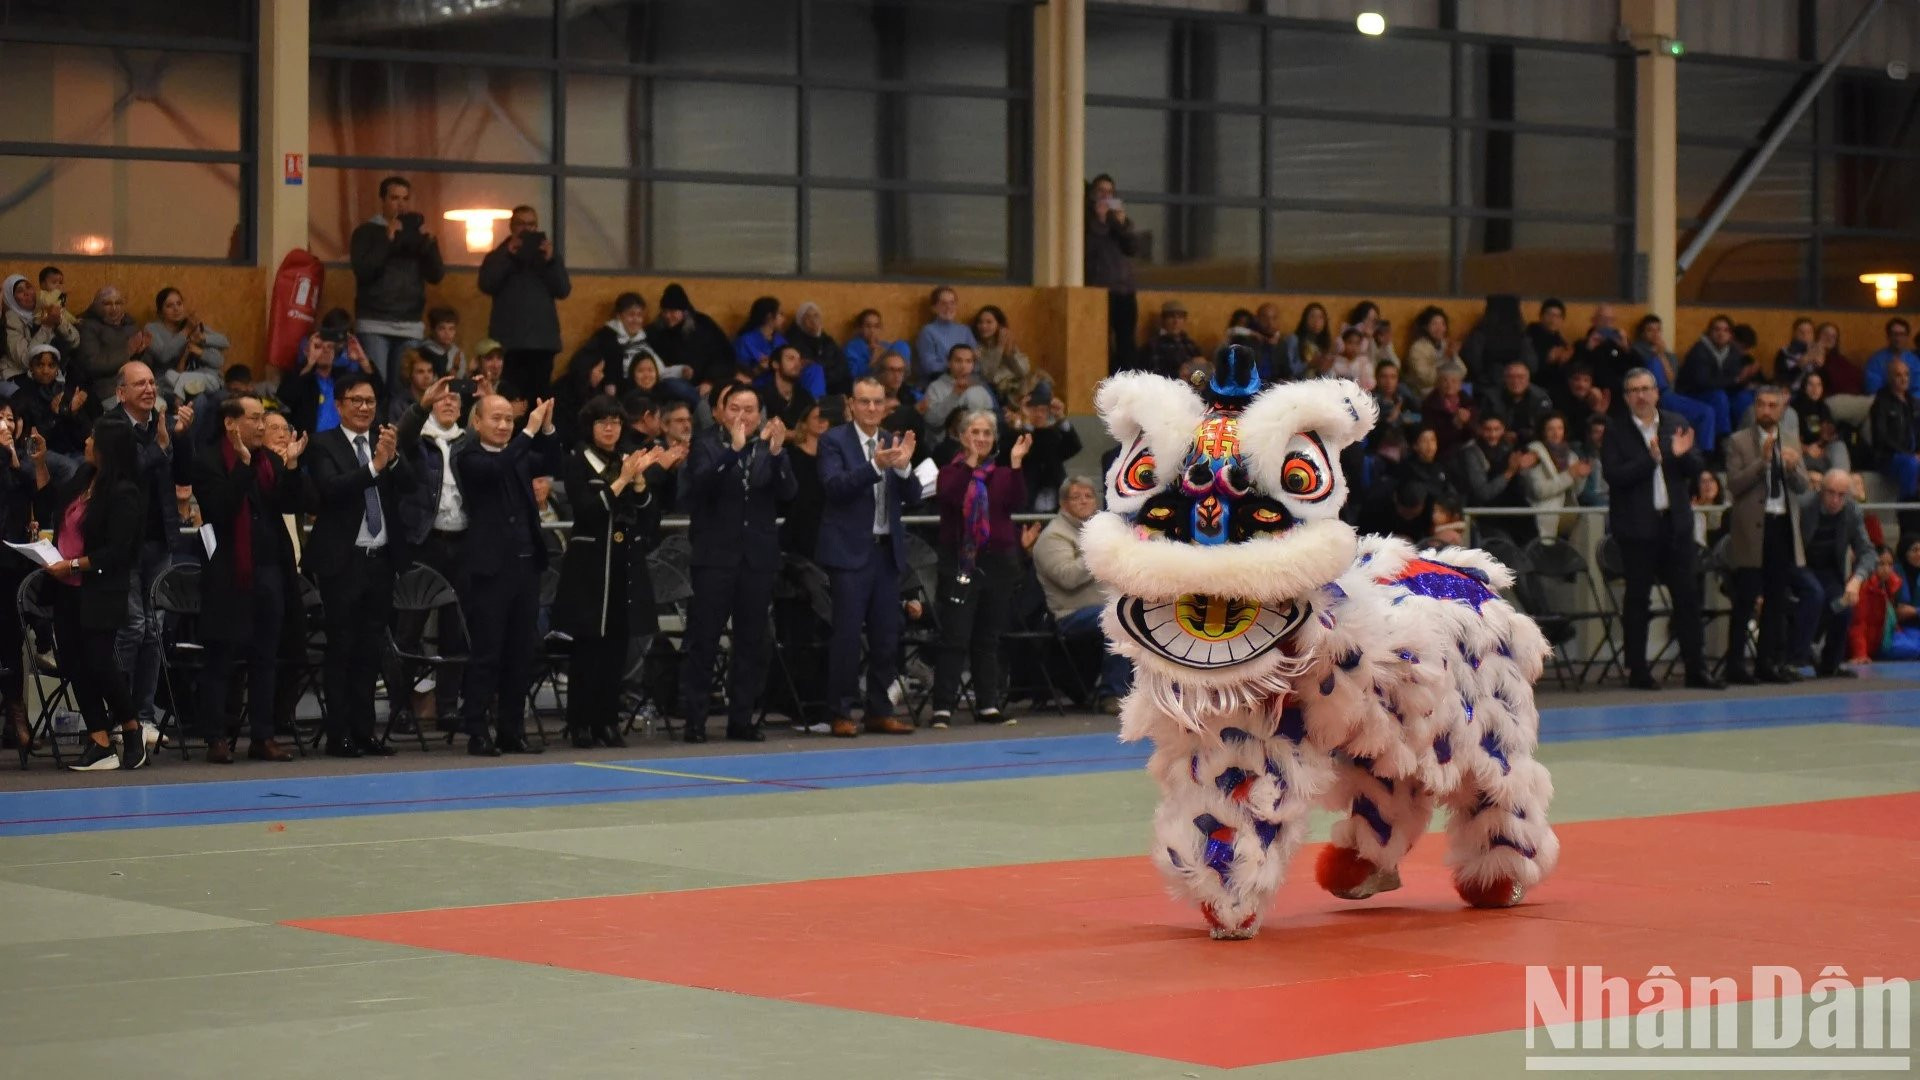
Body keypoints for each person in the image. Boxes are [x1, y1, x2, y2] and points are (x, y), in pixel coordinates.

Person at [191, 393, 307, 764]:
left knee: (265, 658)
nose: (261, 426)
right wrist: (242, 466)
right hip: (229, 572)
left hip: (270, 571)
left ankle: (263, 736)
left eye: (263, 419)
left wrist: (291, 467)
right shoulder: (209, 460)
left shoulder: (270, 461)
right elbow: (220, 509)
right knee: (221, 658)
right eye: (255, 419)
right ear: (231, 423)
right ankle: (217, 737)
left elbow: (291, 504)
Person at [677, 384, 795, 743]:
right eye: (735, 409)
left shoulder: (770, 448)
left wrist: (776, 456)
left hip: (756, 558)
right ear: (721, 412)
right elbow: (699, 487)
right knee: (704, 641)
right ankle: (695, 720)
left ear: (760, 415)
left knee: (751, 641)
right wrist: (733, 452)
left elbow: (789, 494)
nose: (742, 417)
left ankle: (741, 718)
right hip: (715, 557)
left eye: (749, 410)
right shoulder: (706, 445)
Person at [555, 397, 675, 749]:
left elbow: (650, 517)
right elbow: (587, 510)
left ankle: (607, 720)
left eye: (616, 422)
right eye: (602, 422)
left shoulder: (627, 461)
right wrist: (622, 481)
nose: (610, 428)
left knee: (616, 648)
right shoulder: (578, 462)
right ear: (590, 428)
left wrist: (639, 484)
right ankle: (580, 722)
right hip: (589, 566)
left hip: (623, 564)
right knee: (587, 649)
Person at [301, 371, 405, 758]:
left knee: (370, 650)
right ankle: (338, 734)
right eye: (356, 401)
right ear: (340, 405)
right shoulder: (324, 443)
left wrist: (391, 459)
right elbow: (331, 488)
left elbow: (409, 484)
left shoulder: (384, 440)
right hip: (342, 562)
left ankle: (365, 732)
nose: (364, 408)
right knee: (341, 648)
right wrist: (375, 467)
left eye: (370, 401)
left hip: (380, 561)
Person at [452, 391, 560, 756]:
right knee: (488, 651)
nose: (503, 426)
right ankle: (477, 729)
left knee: (521, 650)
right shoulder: (469, 455)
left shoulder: (519, 452)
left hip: (526, 563)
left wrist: (545, 428)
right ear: (477, 422)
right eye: (495, 419)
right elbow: (496, 469)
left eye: (508, 420)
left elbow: (550, 460)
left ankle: (512, 729)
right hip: (490, 568)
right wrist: (527, 433)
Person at [1602, 368, 1723, 691]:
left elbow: (1697, 468)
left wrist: (1682, 457)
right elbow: (1614, 476)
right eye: (1633, 390)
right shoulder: (1615, 430)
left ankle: (1697, 668)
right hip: (1637, 529)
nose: (1641, 395)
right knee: (1638, 599)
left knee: (1687, 596)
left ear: (1656, 392)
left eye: (1646, 388)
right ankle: (1638, 670)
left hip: (1675, 524)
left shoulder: (1676, 422)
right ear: (1626, 397)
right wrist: (1652, 459)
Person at [38, 417, 148, 771]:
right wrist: (39, 464)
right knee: (72, 663)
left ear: (107, 447)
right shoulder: (83, 478)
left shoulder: (124, 492)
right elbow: (50, 505)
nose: (86, 441)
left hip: (98, 589)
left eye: (92, 437)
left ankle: (131, 727)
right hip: (66, 589)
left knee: (100, 662)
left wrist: (71, 565)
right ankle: (99, 739)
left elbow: (117, 552)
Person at [816, 377, 921, 738]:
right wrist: (876, 466)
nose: (873, 409)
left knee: (886, 636)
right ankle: (840, 711)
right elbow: (834, 487)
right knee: (846, 636)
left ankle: (879, 709)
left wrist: (904, 467)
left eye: (878, 402)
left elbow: (915, 495)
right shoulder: (833, 440)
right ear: (851, 404)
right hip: (848, 553)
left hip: (885, 553)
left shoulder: (893, 440)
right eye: (865, 402)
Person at [106, 362, 193, 733]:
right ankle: (120, 715)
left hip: (161, 541)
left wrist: (181, 437)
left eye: (152, 382)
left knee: (155, 631)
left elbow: (182, 477)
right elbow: (123, 476)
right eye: (139, 383)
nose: (149, 388)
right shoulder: (110, 427)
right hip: (124, 546)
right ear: (121, 392)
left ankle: (144, 716)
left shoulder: (159, 426)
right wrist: (160, 446)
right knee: (132, 628)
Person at [930, 410, 1029, 727]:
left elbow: (1017, 501)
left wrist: (1015, 464)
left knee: (988, 637)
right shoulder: (951, 471)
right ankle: (942, 706)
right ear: (962, 437)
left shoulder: (1001, 474)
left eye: (987, 433)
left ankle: (988, 703)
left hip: (998, 563)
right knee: (955, 635)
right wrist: (969, 464)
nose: (982, 438)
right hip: (960, 560)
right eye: (975, 432)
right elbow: (950, 496)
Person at [1722, 386, 1809, 684]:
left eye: (1773, 406)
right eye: (1761, 405)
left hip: (1781, 524)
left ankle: (1767, 662)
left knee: (1776, 599)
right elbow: (1734, 484)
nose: (1767, 411)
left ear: (1781, 410)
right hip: (1750, 529)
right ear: (1754, 408)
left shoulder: (1792, 440)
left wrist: (1792, 467)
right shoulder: (1738, 441)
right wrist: (1763, 461)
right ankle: (1734, 663)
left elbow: (1803, 485)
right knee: (1745, 597)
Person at [1033, 476, 1132, 713]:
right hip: (1069, 615)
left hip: (1104, 606)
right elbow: (1067, 577)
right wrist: (1098, 553)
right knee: (1118, 619)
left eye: (1089, 496)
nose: (1084, 501)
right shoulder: (1054, 536)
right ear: (1063, 503)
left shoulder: (1098, 530)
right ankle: (1113, 694)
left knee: (1142, 612)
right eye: (1076, 497)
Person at [349, 175, 446, 392]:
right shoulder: (366, 232)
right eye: (394, 198)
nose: (400, 204)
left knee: (404, 389)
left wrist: (429, 244)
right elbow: (364, 271)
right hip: (374, 321)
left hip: (410, 322)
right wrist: (388, 239)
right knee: (376, 385)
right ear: (382, 200)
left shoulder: (418, 237)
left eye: (405, 199)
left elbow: (436, 275)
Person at [478, 205, 572, 397]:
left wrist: (550, 261)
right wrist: (508, 256)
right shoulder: (498, 255)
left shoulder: (548, 257)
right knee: (508, 398)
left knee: (538, 399)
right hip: (508, 344)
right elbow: (487, 284)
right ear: (511, 226)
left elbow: (563, 290)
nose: (526, 229)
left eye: (531, 224)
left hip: (543, 343)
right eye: (521, 224)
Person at [1793, 469, 1874, 679]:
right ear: (1820, 490)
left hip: (1828, 569)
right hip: (1800, 565)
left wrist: (1857, 579)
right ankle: (1796, 660)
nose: (1835, 499)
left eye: (1841, 495)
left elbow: (1868, 552)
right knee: (1815, 594)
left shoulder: (1852, 511)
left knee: (1844, 605)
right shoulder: (1804, 506)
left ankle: (1831, 664)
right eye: (1830, 493)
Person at [1631, 314, 1719, 455]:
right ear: (1642, 333)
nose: (1655, 334)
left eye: (1658, 330)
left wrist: (1661, 355)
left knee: (1707, 411)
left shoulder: (1668, 355)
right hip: (1649, 395)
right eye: (1650, 330)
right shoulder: (1635, 352)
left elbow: (1671, 378)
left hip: (1668, 395)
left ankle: (1705, 454)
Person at [1085, 173, 1139, 374]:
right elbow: (1089, 250)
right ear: (1093, 195)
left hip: (1124, 289)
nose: (1106, 196)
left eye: (1110, 192)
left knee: (1127, 341)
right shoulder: (1087, 221)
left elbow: (1132, 248)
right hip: (1101, 290)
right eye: (1102, 192)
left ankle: (1128, 383)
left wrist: (1122, 224)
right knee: (1103, 342)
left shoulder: (1119, 220)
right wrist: (1100, 220)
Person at [1679, 314, 1759, 446]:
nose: (1721, 334)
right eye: (1717, 329)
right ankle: (1724, 442)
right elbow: (1704, 382)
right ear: (1709, 332)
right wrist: (1737, 379)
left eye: (1725, 330)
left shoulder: (1733, 352)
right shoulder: (1699, 350)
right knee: (1719, 397)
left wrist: (1746, 379)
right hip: (1694, 393)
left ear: (1731, 335)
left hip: (1722, 392)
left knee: (1746, 397)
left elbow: (1734, 381)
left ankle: (1746, 440)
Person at [145, 287, 228, 402]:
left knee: (209, 397)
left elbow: (224, 342)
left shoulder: (192, 325)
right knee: (197, 398)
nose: (176, 309)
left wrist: (202, 339)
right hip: (166, 382)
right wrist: (185, 332)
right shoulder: (152, 329)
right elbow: (164, 356)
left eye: (179, 304)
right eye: (169, 306)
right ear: (160, 312)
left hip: (195, 379)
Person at [1006, 385, 1080, 513]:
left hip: (1055, 494)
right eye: (1034, 410)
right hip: (1028, 494)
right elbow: (1019, 451)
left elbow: (1073, 447)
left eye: (1043, 410)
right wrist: (1027, 422)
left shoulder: (1052, 433)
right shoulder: (1018, 434)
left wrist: (1060, 418)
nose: (1039, 414)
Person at [651, 283, 736, 396]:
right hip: (672, 386)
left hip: (708, 384)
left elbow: (724, 357)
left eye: (673, 312)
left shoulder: (704, 326)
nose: (667, 316)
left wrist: (710, 380)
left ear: (684, 312)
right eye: (665, 311)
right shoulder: (657, 331)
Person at [76, 287, 151, 405]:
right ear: (96, 306)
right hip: (106, 389)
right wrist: (128, 351)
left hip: (136, 385)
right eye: (107, 304)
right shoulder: (87, 326)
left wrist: (141, 351)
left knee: (160, 407)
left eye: (118, 303)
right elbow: (92, 364)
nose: (114, 308)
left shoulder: (130, 324)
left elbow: (145, 364)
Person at [1523, 413, 1590, 540]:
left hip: (1571, 517)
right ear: (1543, 431)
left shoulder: (1570, 455)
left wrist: (1581, 476)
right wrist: (1569, 475)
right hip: (1546, 517)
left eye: (1560, 428)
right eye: (1551, 429)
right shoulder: (1534, 455)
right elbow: (1540, 491)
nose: (1556, 433)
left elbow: (1576, 491)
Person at [3, 272, 79, 382]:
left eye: (29, 287)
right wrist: (46, 327)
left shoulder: (45, 308)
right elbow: (25, 361)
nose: (27, 293)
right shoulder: (11, 321)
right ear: (10, 298)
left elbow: (75, 341)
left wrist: (58, 323)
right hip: (19, 376)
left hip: (50, 375)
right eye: (20, 291)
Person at [1870, 358, 1920, 500]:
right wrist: (1909, 454)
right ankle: (1908, 508)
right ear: (1890, 378)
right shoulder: (1881, 402)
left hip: (1912, 454)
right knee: (1911, 464)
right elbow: (1881, 437)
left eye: (1906, 375)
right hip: (1888, 457)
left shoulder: (1913, 403)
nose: (1904, 379)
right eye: (1898, 375)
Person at [1477, 359, 1555, 447]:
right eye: (1511, 377)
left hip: (1533, 443)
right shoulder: (1491, 397)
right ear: (1504, 379)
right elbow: (1484, 425)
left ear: (1528, 379)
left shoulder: (1541, 398)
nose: (1515, 381)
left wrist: (1520, 436)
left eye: (1520, 377)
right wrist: (1502, 434)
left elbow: (1545, 428)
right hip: (1497, 442)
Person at [972, 304, 1037, 405]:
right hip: (1000, 391)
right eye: (980, 322)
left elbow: (1023, 372)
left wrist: (1009, 353)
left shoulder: (1008, 343)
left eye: (989, 322)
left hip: (1019, 386)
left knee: (1043, 387)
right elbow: (988, 376)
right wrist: (999, 348)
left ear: (999, 325)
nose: (983, 326)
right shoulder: (977, 347)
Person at [920, 343, 995, 429]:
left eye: (968, 361)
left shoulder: (980, 389)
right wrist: (954, 395)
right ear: (949, 363)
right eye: (958, 361)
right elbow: (931, 420)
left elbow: (991, 420)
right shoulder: (935, 388)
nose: (963, 366)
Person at [914, 286, 977, 384]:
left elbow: (976, 360)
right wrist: (956, 366)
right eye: (943, 304)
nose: (949, 307)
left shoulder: (965, 330)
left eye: (952, 303)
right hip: (940, 380)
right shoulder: (928, 331)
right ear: (934, 308)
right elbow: (929, 367)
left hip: (967, 378)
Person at [788, 302, 850, 397]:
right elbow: (812, 366)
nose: (813, 320)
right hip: (815, 385)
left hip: (833, 381)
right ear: (800, 321)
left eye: (816, 316)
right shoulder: (796, 341)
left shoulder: (827, 339)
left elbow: (842, 364)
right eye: (808, 317)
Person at [1143, 299, 1203, 383]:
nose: (1176, 321)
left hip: (1192, 389)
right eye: (1171, 317)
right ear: (1163, 320)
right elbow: (1152, 376)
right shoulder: (1152, 346)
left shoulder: (1190, 345)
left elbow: (1202, 376)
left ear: (1184, 321)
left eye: (1180, 317)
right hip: (1169, 389)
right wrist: (1178, 373)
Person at [844, 308, 910, 382]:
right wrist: (873, 361)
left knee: (901, 345)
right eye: (868, 326)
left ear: (880, 328)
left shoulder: (885, 346)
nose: (872, 331)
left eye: (876, 326)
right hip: (867, 385)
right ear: (860, 328)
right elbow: (852, 377)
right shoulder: (852, 348)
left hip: (893, 383)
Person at [1403, 306, 1452, 398]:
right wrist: (1445, 359)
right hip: (1422, 392)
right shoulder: (1417, 348)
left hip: (1444, 389)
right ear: (1425, 327)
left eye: (1442, 324)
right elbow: (1425, 379)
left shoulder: (1445, 344)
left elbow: (1462, 371)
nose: (1439, 328)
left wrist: (1453, 357)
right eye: (1434, 324)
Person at [1862, 317, 1919, 396]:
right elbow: (1873, 390)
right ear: (1888, 336)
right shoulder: (1875, 361)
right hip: (1885, 403)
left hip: (1911, 404)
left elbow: (1918, 389)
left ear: (1907, 337)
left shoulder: (1914, 361)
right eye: (1894, 334)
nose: (1898, 338)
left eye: (1902, 334)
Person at [733, 296, 786, 379]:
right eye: (781, 314)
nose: (784, 319)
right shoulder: (746, 341)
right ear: (769, 316)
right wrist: (758, 369)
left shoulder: (781, 340)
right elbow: (738, 373)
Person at [1284, 303, 1332, 384]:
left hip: (1318, 388)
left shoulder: (1325, 343)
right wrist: (1308, 365)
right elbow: (1289, 369)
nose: (1316, 321)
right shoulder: (1294, 339)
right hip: (1298, 386)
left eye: (1320, 317)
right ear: (1304, 320)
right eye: (1312, 316)